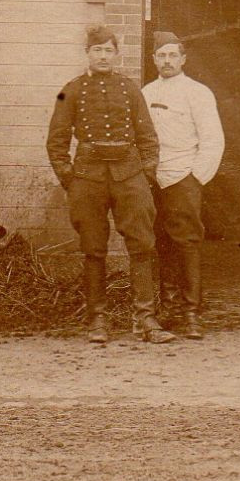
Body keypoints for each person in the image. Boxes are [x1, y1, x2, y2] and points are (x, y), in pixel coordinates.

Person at [46, 26, 174, 345]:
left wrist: (145, 174)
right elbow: (56, 141)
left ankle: (145, 318)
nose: (103, 56)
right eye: (97, 50)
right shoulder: (69, 90)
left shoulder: (131, 89)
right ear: (87, 54)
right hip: (88, 178)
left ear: (117, 55)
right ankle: (97, 320)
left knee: (142, 245)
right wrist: (70, 179)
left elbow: (148, 138)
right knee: (93, 249)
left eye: (108, 50)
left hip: (129, 176)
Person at [141, 31, 225, 340]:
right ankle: (170, 309)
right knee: (160, 242)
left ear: (183, 59)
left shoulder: (198, 93)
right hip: (154, 178)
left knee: (187, 243)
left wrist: (194, 178)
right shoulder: (146, 93)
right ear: (153, 60)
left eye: (172, 55)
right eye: (161, 56)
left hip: (183, 176)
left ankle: (192, 313)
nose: (167, 61)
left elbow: (213, 140)